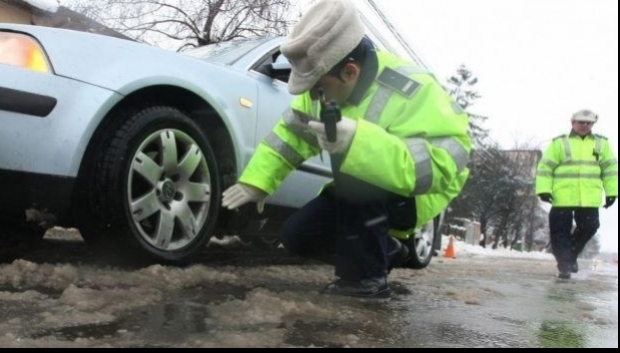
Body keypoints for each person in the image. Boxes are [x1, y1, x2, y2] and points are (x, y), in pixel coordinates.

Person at [221, 0, 471, 298]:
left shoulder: (414, 88)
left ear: (349, 72)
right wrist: (257, 182)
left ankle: (364, 282)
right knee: (296, 235)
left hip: (416, 195)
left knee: (358, 176)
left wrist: (359, 143)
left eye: (318, 87)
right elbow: (289, 138)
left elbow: (444, 167)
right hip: (357, 191)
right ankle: (386, 251)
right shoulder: (324, 88)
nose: (313, 96)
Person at [535, 109, 618, 279]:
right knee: (559, 231)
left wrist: (612, 192)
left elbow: (611, 169)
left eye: (588, 123)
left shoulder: (602, 144)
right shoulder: (560, 143)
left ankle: (570, 256)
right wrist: (543, 189)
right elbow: (545, 167)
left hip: (589, 196)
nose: (584, 126)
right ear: (573, 123)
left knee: (590, 226)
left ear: (593, 124)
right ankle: (565, 265)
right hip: (562, 195)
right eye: (581, 122)